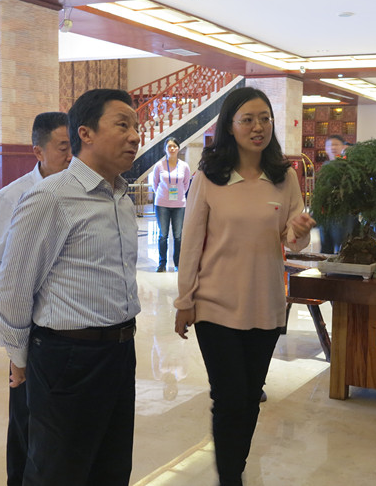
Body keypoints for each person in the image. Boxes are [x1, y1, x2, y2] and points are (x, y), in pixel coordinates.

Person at [0, 89, 141, 485]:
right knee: (58, 471)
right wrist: (18, 358)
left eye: (136, 126)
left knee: (111, 467)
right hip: (68, 358)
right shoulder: (51, 197)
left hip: (120, 351)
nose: (134, 136)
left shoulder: (122, 197)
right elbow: (14, 287)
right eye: (122, 125)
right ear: (85, 133)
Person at [174, 86, 316, 486]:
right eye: (248, 120)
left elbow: (292, 241)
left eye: (265, 119)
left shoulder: (285, 177)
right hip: (215, 306)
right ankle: (230, 478)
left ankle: (234, 468)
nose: (258, 127)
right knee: (230, 397)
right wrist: (184, 301)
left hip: (265, 305)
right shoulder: (209, 177)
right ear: (230, 126)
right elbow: (191, 243)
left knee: (250, 397)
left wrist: (299, 229)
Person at [0, 111, 70, 486]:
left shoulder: (78, 192)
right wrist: (11, 307)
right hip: (27, 326)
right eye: (63, 147)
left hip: (65, 329)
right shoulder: (13, 196)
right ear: (38, 151)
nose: (71, 156)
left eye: (74, 147)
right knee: (25, 419)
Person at [150, 137, 191, 272]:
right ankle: (162, 263)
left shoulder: (184, 166)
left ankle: (178, 263)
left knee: (178, 236)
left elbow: (186, 184)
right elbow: (155, 184)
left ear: (178, 148)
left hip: (179, 205)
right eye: (169, 146)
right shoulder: (159, 165)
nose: (172, 148)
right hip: (162, 204)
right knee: (163, 235)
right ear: (165, 149)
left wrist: (178, 195)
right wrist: (163, 195)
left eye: (174, 146)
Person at [318, 134, 357, 253]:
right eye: (330, 145)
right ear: (326, 149)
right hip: (326, 212)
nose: (333, 148)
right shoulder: (325, 167)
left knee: (343, 244)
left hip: (344, 213)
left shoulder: (349, 167)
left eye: (336, 144)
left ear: (343, 147)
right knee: (326, 245)